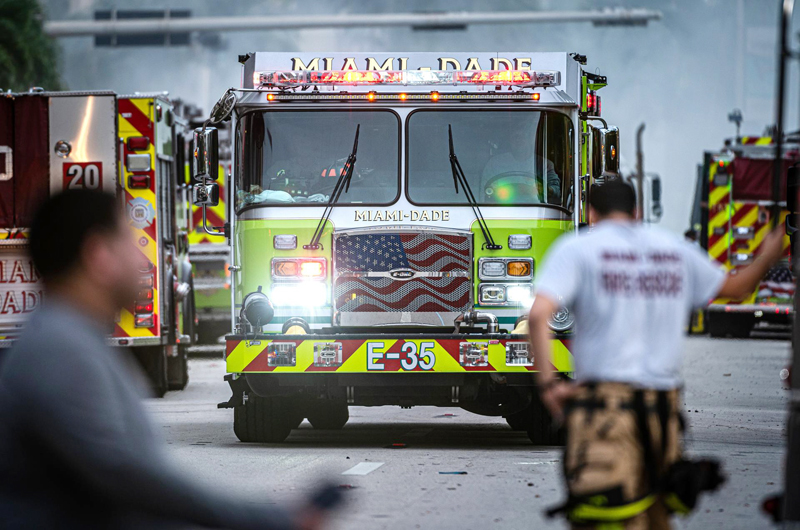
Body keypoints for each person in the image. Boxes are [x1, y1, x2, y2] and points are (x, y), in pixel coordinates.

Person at [0, 190, 326, 529]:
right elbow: (129, 478)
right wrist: (273, 520)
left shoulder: (71, 338)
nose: (142, 260)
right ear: (100, 255)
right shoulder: (60, 350)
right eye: (130, 240)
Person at [528, 181, 784, 529]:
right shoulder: (674, 249)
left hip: (606, 412)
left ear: (590, 213)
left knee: (609, 515)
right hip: (662, 412)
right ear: (637, 213)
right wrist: (767, 256)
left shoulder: (578, 249)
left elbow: (539, 314)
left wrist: (548, 386)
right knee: (657, 514)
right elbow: (737, 289)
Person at [480, 126, 560, 203]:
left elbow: (556, 190)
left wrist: (545, 189)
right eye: (515, 137)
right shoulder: (495, 163)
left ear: (530, 140)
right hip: (499, 211)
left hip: (535, 210)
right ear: (510, 141)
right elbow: (485, 191)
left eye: (522, 136)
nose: (518, 140)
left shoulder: (544, 164)